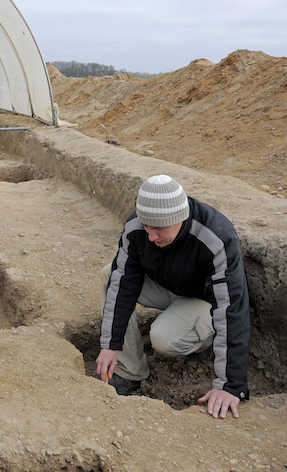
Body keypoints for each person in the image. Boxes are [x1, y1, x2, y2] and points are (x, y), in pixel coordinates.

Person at [95, 175, 250, 419]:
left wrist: (231, 385)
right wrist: (110, 344)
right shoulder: (137, 228)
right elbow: (123, 282)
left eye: (158, 229)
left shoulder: (216, 237)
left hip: (205, 302)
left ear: (181, 218)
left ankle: (205, 344)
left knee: (162, 338)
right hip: (170, 286)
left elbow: (231, 307)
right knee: (110, 274)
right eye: (146, 226)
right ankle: (129, 371)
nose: (150, 236)